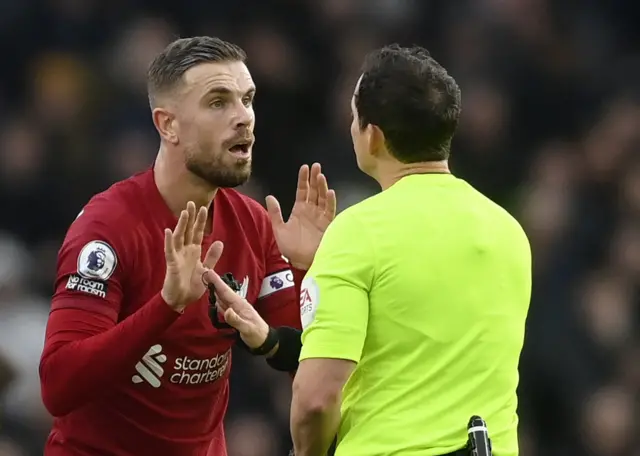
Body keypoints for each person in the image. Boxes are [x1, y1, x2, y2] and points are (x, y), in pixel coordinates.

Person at [210, 45, 532, 456]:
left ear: (373, 135)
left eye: (354, 117)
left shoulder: (359, 233)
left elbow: (316, 399)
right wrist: (314, 270)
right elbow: (414, 341)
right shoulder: (508, 230)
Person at [38, 36, 336, 456]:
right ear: (167, 124)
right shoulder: (109, 227)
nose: (244, 118)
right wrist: (165, 306)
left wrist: (306, 269)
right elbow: (58, 386)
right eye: (218, 102)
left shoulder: (252, 223)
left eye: (247, 100)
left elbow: (309, 368)